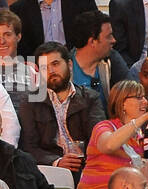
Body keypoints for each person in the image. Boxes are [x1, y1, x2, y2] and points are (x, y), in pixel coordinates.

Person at [19, 42, 106, 180]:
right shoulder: (30, 103)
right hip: (49, 172)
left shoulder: (90, 98)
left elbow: (99, 139)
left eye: (55, 64)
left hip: (87, 168)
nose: (51, 71)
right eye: (44, 68)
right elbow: (29, 147)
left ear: (70, 65)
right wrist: (57, 161)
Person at [76, 79, 148, 189]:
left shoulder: (140, 138)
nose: (145, 101)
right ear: (122, 102)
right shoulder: (104, 126)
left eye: (145, 97)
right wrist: (145, 117)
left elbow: (146, 180)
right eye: (139, 97)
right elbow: (108, 145)